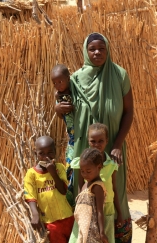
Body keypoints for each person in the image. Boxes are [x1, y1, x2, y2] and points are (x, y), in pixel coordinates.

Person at [55, 33, 134, 242]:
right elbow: (67, 111)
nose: (97, 52)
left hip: (112, 148)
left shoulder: (119, 75)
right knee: (84, 193)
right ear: (86, 52)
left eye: (102, 48)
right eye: (92, 49)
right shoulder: (76, 79)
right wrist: (57, 109)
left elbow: (129, 112)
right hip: (85, 148)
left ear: (107, 50)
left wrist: (117, 145)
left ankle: (118, 235)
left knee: (115, 191)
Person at [70, 123, 122, 243]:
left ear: (107, 141)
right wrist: (78, 208)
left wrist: (119, 212)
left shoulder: (111, 165)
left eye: (101, 141)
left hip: (107, 209)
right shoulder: (82, 163)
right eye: (93, 141)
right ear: (88, 141)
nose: (97, 144)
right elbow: (79, 188)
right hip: (86, 210)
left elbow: (114, 189)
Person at [23, 136, 74, 243]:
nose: (46, 157)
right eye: (41, 153)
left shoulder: (59, 168)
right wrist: (35, 215)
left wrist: (53, 172)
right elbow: (30, 196)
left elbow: (63, 190)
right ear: (35, 153)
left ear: (55, 152)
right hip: (51, 223)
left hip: (68, 217)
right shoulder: (31, 174)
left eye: (50, 152)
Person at [51, 64, 75, 209]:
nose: (58, 85)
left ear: (68, 78)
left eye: (61, 81)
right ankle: (71, 206)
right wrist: (57, 108)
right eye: (55, 83)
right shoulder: (59, 97)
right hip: (72, 141)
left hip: (83, 138)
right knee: (70, 170)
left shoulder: (76, 91)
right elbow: (61, 117)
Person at [74, 147, 108, 243]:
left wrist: (102, 232)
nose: (85, 174)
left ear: (99, 167)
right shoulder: (86, 184)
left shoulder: (97, 187)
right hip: (83, 229)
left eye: (88, 171)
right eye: (82, 171)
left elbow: (100, 211)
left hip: (92, 231)